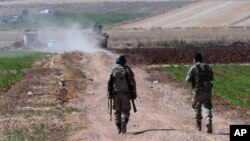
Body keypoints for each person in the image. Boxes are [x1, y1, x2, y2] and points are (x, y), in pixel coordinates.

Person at [107, 54, 137, 134]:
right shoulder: (127, 69)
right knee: (125, 109)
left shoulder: (113, 69)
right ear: (124, 61)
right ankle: (124, 119)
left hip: (115, 93)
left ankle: (119, 128)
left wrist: (108, 92)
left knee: (117, 110)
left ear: (116, 61)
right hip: (126, 93)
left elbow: (108, 81)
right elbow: (133, 81)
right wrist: (135, 92)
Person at [186, 52, 214, 133]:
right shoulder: (208, 67)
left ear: (194, 59)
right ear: (201, 59)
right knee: (207, 107)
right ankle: (208, 120)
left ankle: (198, 126)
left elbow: (188, 79)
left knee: (197, 108)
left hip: (197, 92)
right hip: (207, 92)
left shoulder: (193, 67)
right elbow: (212, 78)